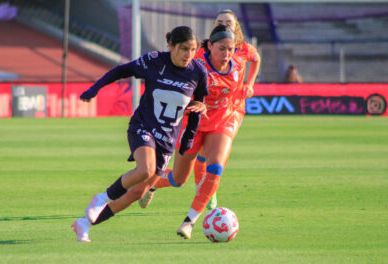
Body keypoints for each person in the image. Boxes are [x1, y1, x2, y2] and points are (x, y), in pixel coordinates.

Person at [88, 24, 259, 240]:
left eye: (231, 48)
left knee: (214, 168)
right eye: (222, 48)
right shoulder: (197, 67)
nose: (227, 54)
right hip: (192, 126)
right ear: (210, 47)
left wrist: (249, 86)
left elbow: (255, 59)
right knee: (178, 179)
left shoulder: (238, 64)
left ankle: (190, 221)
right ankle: (152, 184)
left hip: (220, 124)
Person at [71, 25, 209, 242]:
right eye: (184, 49)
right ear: (171, 45)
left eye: (193, 49)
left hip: (167, 140)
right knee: (145, 169)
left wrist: (189, 138)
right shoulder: (154, 61)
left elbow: (198, 107)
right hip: (143, 126)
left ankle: (84, 223)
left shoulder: (198, 72)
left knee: (136, 193)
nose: (188, 55)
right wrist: (94, 89)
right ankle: (101, 198)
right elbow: (121, 70)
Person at [139, 8, 261, 211]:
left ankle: (205, 193)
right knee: (183, 174)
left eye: (228, 21)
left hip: (232, 110)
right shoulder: (205, 51)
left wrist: (250, 84)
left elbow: (256, 59)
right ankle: (161, 184)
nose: (224, 24)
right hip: (203, 111)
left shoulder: (242, 48)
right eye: (220, 21)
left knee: (212, 155)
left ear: (235, 26)